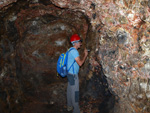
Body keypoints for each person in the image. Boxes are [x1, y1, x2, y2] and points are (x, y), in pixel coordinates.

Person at [67, 34, 88, 113]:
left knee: (69, 90)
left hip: (69, 74)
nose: (81, 43)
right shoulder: (74, 51)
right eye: (79, 42)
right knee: (75, 92)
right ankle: (76, 110)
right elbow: (80, 63)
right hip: (73, 75)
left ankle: (69, 106)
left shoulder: (70, 50)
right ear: (75, 43)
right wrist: (85, 55)